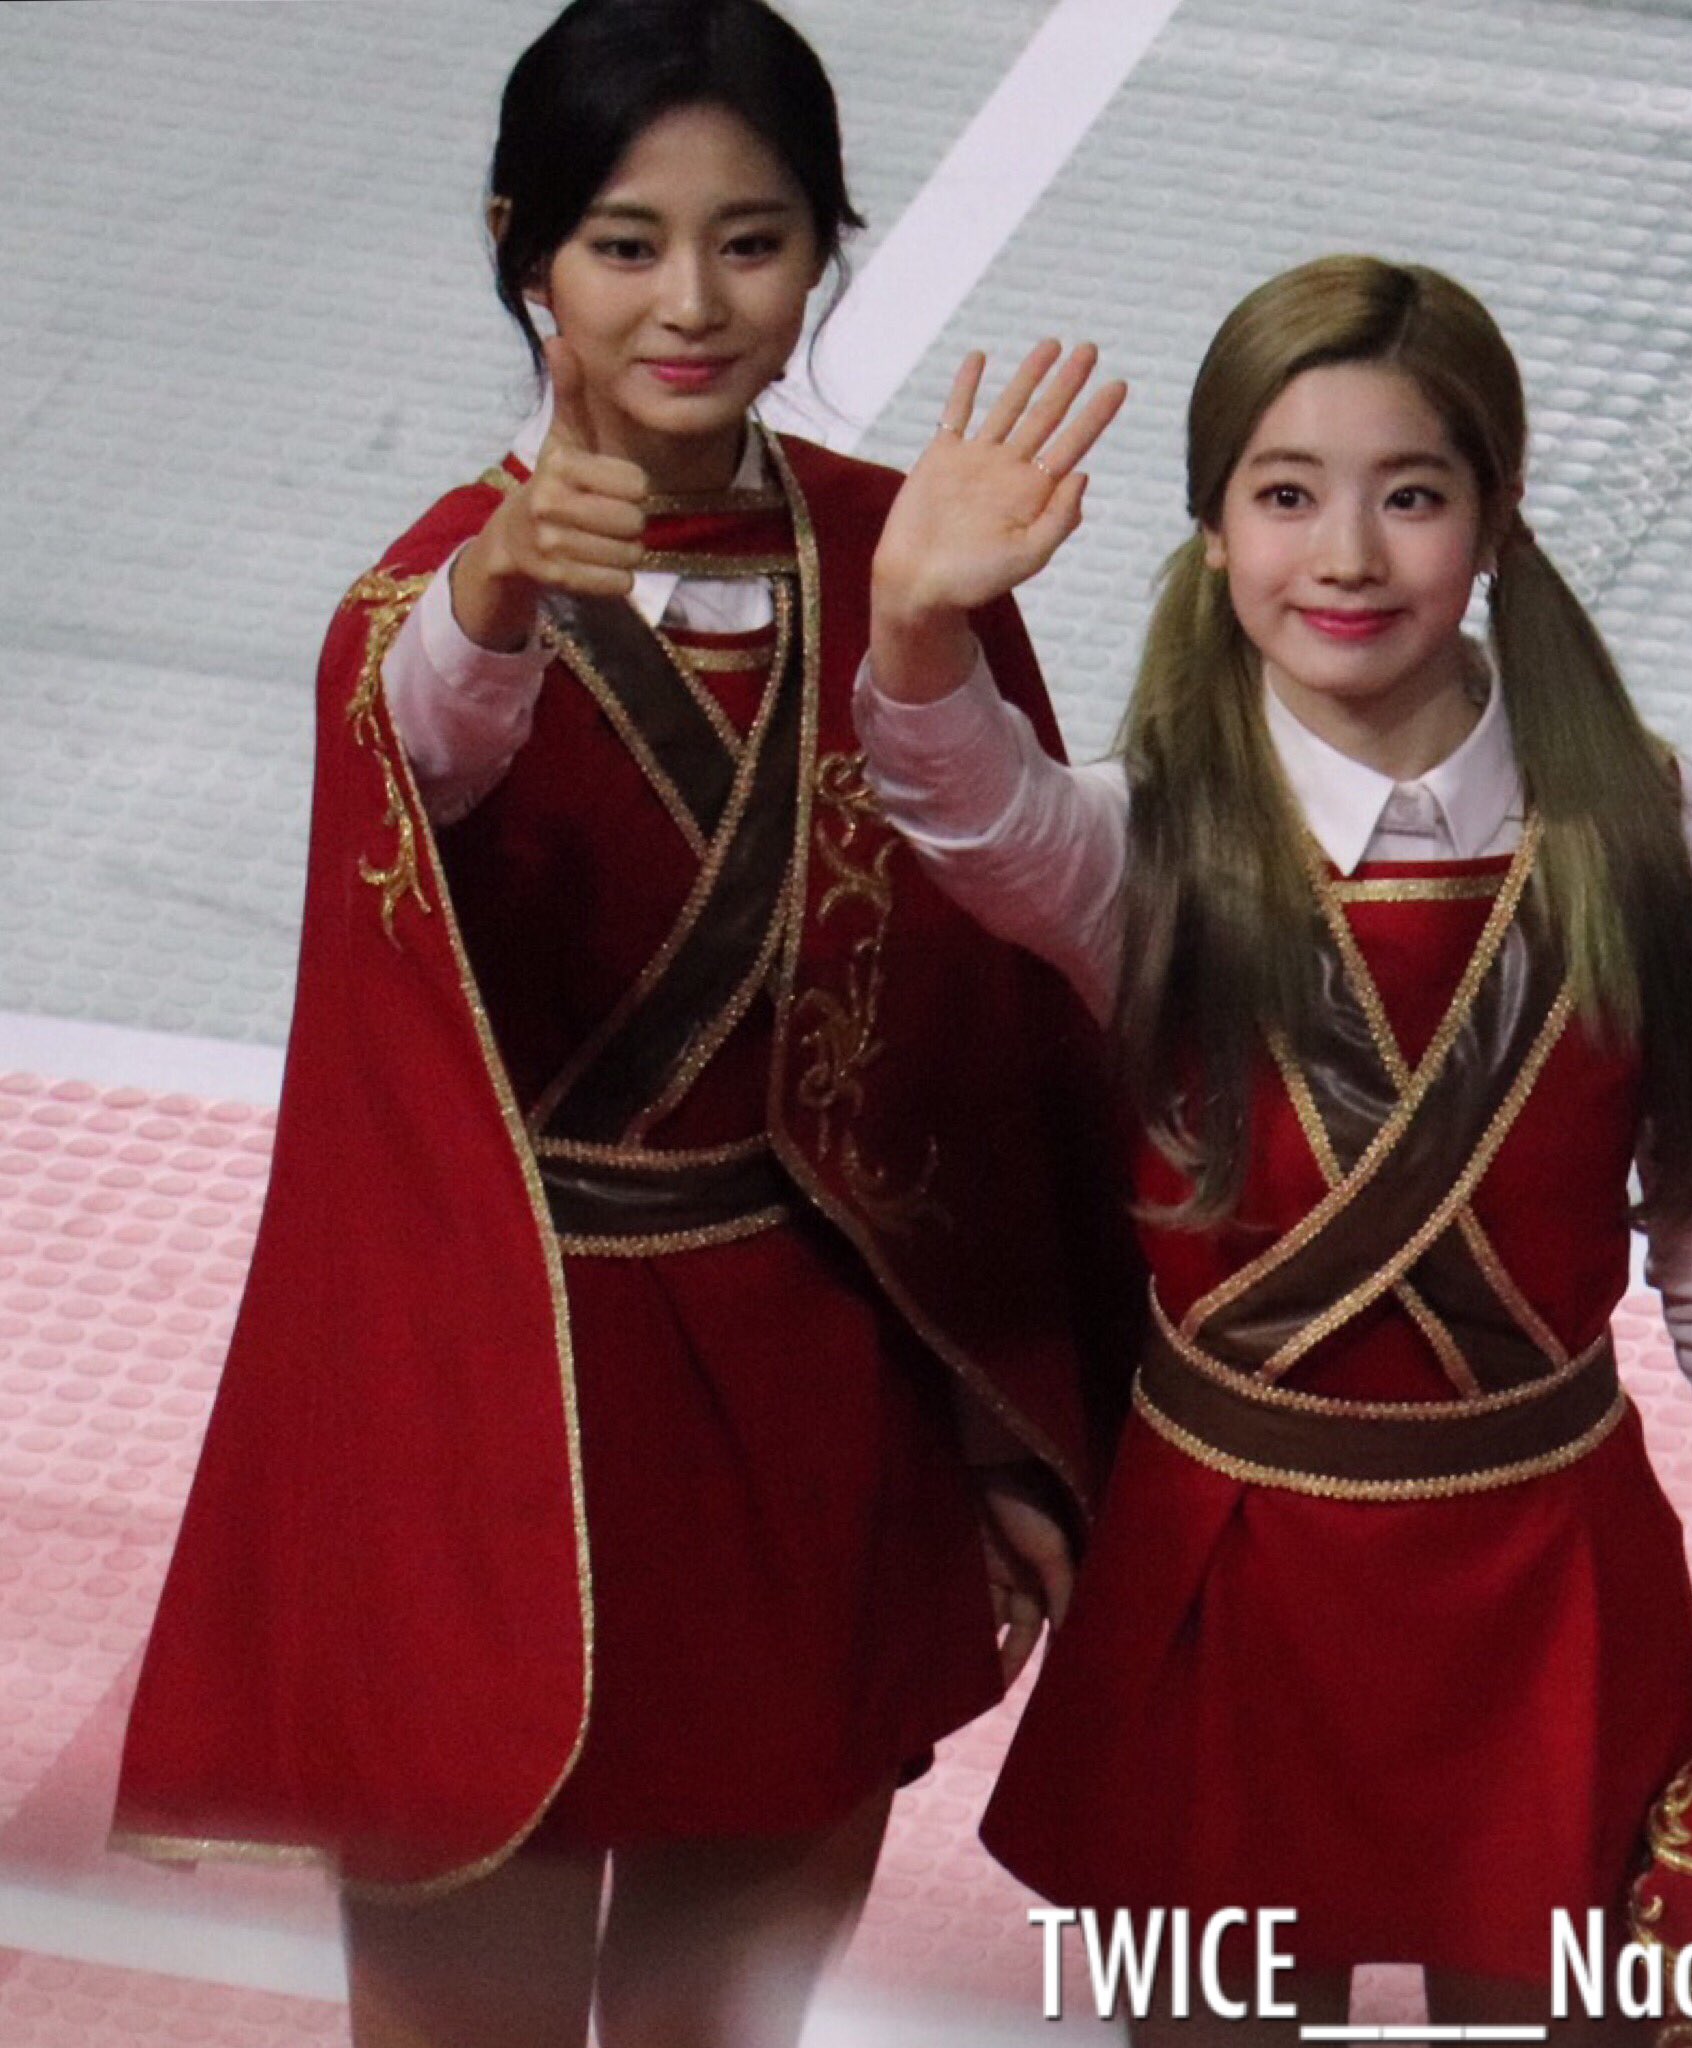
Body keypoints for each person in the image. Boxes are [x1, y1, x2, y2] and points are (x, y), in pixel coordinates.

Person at [111, 4, 1128, 2044]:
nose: (692, 303)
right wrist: (498, 593)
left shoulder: (900, 563)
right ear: (523, 251)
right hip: (495, 1414)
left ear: (824, 250)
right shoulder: (428, 610)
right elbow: (430, 746)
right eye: (624, 243)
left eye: (753, 242)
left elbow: (1001, 1044)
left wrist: (1007, 1430)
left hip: (818, 1414)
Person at [855, 258, 1692, 2039]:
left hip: (1556, 1585)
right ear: (1210, 530)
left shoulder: (1647, 833)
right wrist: (916, 634)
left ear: (1496, 513)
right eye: (1284, 495)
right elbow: (971, 812)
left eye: (1410, 495)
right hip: (1225, 1583)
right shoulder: (1139, 842)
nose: (1345, 555)